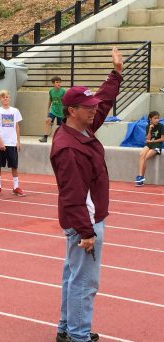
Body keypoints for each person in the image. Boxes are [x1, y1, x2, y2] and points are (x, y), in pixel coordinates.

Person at [51, 47, 123, 342]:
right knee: (85, 282)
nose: (94, 109)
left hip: (82, 220)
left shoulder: (81, 129)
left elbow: (104, 102)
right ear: (71, 111)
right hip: (85, 222)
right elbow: (73, 196)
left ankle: (67, 330)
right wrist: (87, 232)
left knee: (73, 275)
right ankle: (78, 336)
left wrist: (115, 74)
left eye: (93, 105)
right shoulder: (70, 148)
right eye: (88, 107)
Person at [0, 90, 25, 197]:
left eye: (7, 97)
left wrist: (18, 141)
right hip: (0, 143)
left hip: (12, 143)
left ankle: (15, 187)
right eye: (3, 97)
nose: (5, 98)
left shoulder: (15, 111)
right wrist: (0, 141)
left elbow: (17, 126)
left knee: (14, 166)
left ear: (9, 98)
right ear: (0, 99)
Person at [135, 111, 164, 186]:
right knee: (141, 154)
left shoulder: (161, 126)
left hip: (157, 145)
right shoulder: (148, 126)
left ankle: (141, 178)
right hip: (150, 144)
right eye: (155, 118)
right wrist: (150, 130)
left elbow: (162, 139)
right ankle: (140, 176)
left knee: (145, 157)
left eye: (158, 118)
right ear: (150, 119)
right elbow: (148, 138)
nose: (157, 120)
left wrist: (151, 141)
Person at [39, 76, 66, 143]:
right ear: (53, 83)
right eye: (57, 82)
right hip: (53, 110)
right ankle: (45, 137)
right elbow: (50, 100)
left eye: (60, 82)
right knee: (48, 120)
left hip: (60, 111)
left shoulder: (63, 91)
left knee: (61, 126)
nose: (59, 83)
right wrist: (48, 109)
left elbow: (66, 101)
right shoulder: (51, 91)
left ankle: (62, 138)